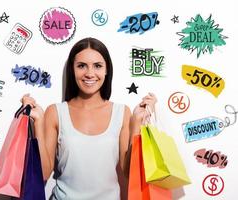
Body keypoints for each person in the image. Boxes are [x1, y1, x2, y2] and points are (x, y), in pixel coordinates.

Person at [21, 37, 157, 200]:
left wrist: (136, 124)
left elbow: (128, 172)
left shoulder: (122, 112)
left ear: (107, 70)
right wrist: (39, 122)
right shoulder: (56, 112)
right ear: (72, 69)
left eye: (98, 66)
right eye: (81, 66)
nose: (90, 73)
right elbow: (42, 173)